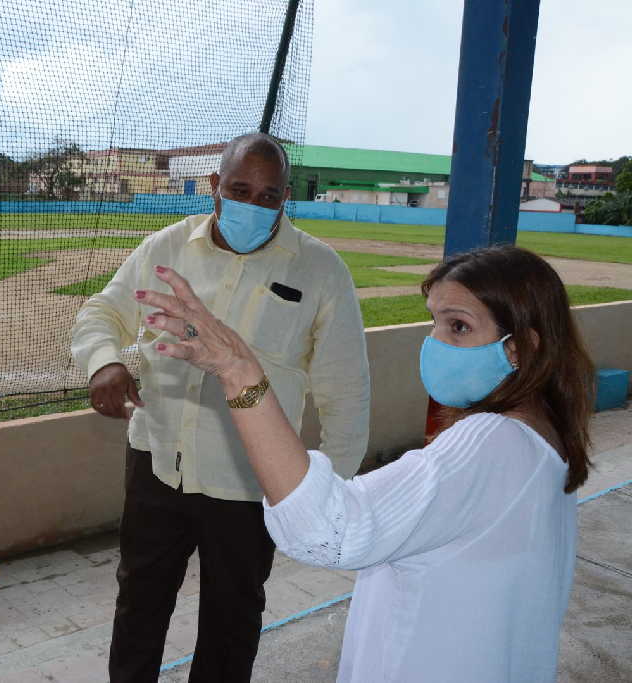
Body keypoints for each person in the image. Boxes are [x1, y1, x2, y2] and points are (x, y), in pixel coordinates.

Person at [138, 244, 593, 682]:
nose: (434, 342)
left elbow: (329, 530)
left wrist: (239, 372)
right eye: (434, 322)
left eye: (458, 327)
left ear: (520, 349)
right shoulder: (544, 435)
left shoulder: (490, 442)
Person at [70, 133, 371, 681]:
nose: (252, 206)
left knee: (232, 618)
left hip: (251, 483)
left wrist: (330, 494)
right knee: (139, 600)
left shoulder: (321, 270)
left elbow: (346, 391)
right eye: (240, 189)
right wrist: (105, 362)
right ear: (215, 186)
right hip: (158, 462)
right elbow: (102, 312)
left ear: (285, 199)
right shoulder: (168, 247)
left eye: (268, 196)